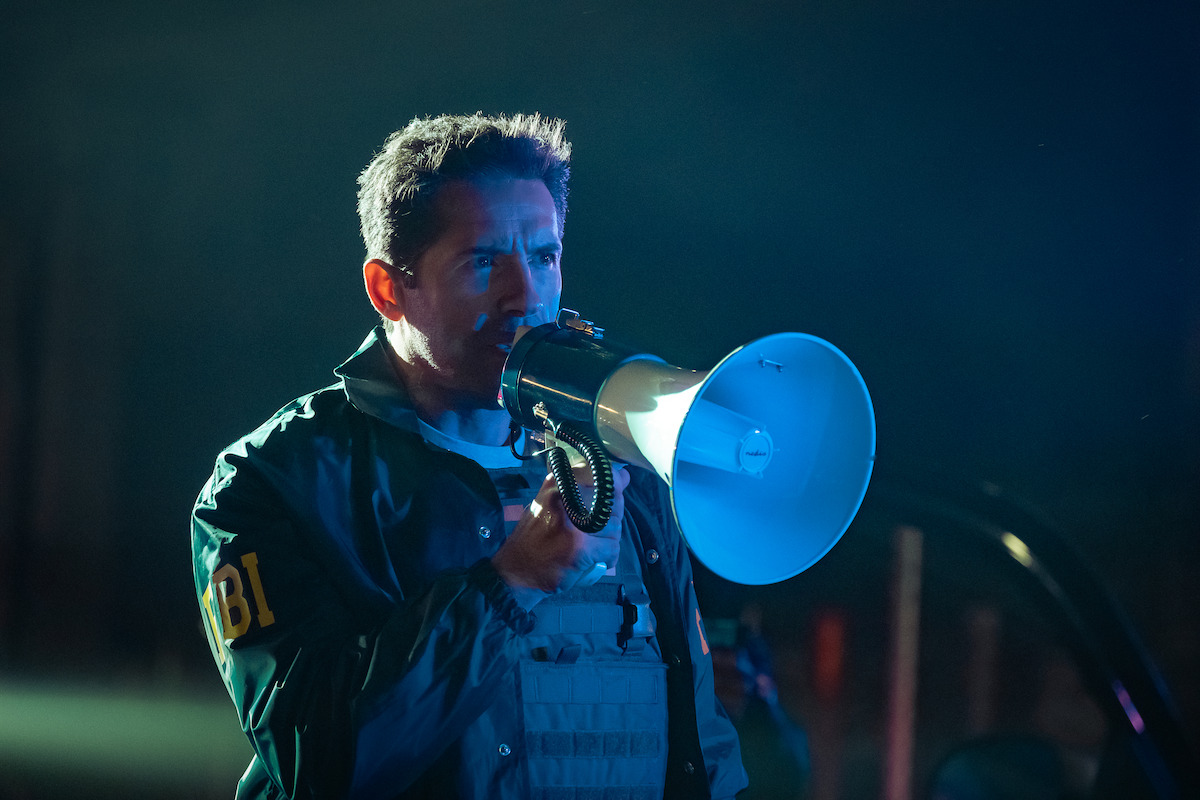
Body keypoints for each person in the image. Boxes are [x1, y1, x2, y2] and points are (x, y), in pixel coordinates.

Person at [191, 113, 748, 799]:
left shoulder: (624, 458)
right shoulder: (269, 486)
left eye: (544, 256)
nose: (528, 296)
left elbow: (699, 741)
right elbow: (318, 758)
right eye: (485, 262)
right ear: (388, 289)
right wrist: (510, 584)